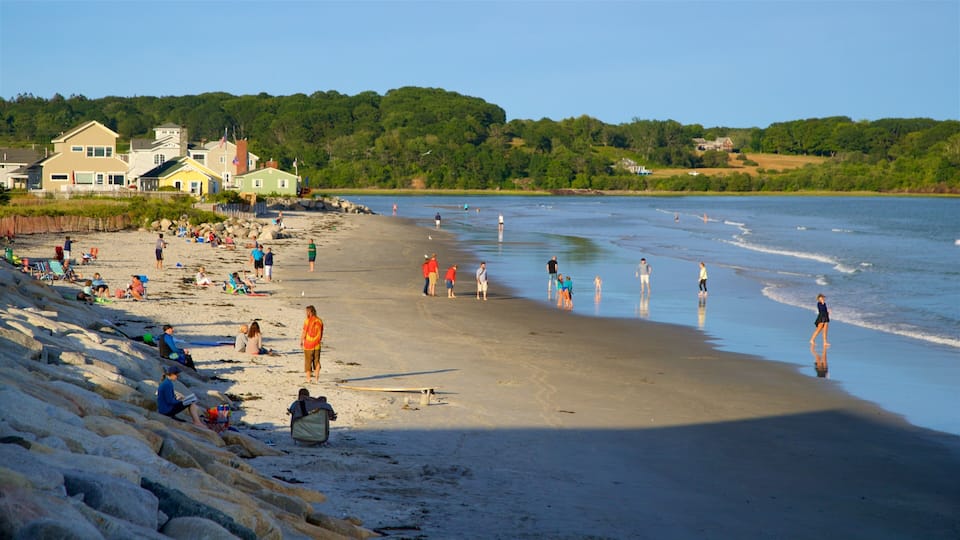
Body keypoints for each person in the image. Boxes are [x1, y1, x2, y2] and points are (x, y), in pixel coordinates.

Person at [300, 305, 324, 383]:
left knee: (308, 362)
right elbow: (321, 332)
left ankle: (308, 379)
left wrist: (301, 341)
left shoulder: (307, 321)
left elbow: (304, 332)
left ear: (309, 312)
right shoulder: (319, 321)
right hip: (317, 344)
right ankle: (316, 379)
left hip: (308, 344)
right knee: (317, 361)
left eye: (306, 312)